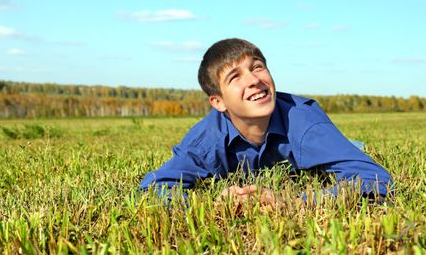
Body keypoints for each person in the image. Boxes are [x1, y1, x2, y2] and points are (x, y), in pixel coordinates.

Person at [140, 38, 392, 207]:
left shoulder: (304, 123)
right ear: (218, 102)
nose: (253, 80)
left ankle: (349, 146)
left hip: (316, 146)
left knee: (349, 150)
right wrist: (214, 204)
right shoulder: (206, 140)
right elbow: (154, 188)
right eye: (235, 77)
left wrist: (293, 201)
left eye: (257, 67)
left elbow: (375, 179)